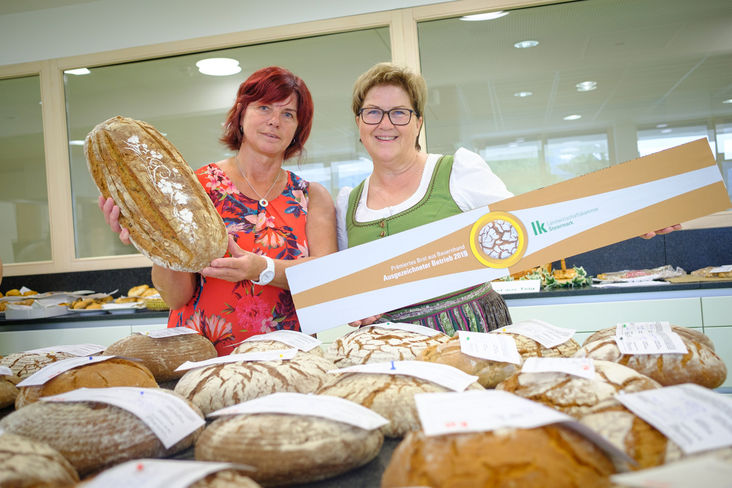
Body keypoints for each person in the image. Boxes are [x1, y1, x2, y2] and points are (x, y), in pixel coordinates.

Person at [336, 62, 680, 335]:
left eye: (399, 112)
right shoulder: (347, 203)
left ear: (418, 123)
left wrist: (630, 213)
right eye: (373, 112)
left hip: (469, 333)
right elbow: (340, 285)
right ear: (359, 123)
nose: (385, 123)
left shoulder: (457, 172)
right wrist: (352, 305)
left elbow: (533, 224)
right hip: (388, 349)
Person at [101, 66, 337, 355]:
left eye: (288, 113)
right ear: (241, 114)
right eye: (264, 107)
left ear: (299, 128)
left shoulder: (312, 197)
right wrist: (155, 240)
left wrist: (260, 268)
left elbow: (328, 280)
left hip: (288, 360)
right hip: (202, 358)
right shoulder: (197, 188)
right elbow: (176, 298)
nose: (275, 121)